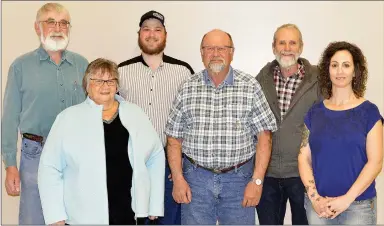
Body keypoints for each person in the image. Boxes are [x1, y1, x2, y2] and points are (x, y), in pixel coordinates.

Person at [164, 29, 278, 225]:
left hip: (239, 180)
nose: (215, 53)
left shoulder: (249, 86)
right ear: (201, 53)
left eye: (221, 48)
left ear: (231, 52)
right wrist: (178, 178)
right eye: (209, 48)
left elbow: (264, 136)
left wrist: (257, 182)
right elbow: (173, 138)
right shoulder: (187, 87)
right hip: (195, 180)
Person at [38, 58, 165, 225]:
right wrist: (55, 216)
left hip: (128, 211)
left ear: (117, 85)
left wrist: (153, 203)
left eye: (110, 80)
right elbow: (49, 168)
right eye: (98, 80)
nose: (105, 86)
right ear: (87, 85)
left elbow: (155, 155)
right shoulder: (68, 118)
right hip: (83, 215)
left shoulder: (135, 114)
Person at [1, 3, 88, 224]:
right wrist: (10, 165)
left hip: (74, 154)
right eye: (50, 21)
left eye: (63, 23)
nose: (57, 27)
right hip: (34, 154)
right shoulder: (20, 66)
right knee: (34, 218)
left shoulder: (82, 65)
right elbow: (10, 118)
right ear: (37, 27)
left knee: (74, 217)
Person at [118, 10, 194, 225]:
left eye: (157, 30)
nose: (152, 34)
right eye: (146, 29)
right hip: (132, 162)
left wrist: (181, 166)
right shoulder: (122, 72)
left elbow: (191, 120)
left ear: (165, 35)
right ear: (139, 34)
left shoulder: (183, 71)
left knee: (169, 220)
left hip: (170, 165)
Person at [298, 41, 383, 225]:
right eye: (334, 65)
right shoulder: (314, 113)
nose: (340, 71)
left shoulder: (369, 112)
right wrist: (314, 198)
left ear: (355, 71)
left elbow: (376, 162)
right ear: (327, 70)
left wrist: (346, 200)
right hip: (319, 207)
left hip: (358, 207)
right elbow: (303, 158)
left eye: (346, 65)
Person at [255, 23, 321, 225]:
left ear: (301, 47)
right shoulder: (261, 79)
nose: (287, 48)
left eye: (292, 42)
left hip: (304, 173)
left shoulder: (319, 79)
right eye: (282, 42)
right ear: (274, 47)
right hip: (268, 173)